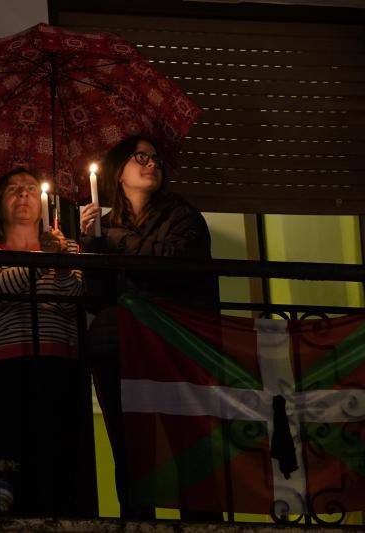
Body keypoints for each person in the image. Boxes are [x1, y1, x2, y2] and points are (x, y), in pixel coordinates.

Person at [80, 136, 220, 520]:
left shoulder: (182, 215)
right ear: (118, 171)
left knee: (190, 446)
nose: (151, 163)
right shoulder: (103, 229)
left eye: (156, 158)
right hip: (120, 345)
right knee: (131, 451)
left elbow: (173, 262)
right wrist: (90, 246)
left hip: (176, 342)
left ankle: (201, 526)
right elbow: (96, 296)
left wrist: (109, 241)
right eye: (140, 157)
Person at [0, 167, 95, 517]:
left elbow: (74, 298)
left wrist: (61, 263)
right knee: (13, 456)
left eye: (31, 189)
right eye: (13, 189)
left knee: (58, 454)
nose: (23, 194)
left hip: (59, 364)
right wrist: (41, 263)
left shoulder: (67, 249)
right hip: (4, 367)